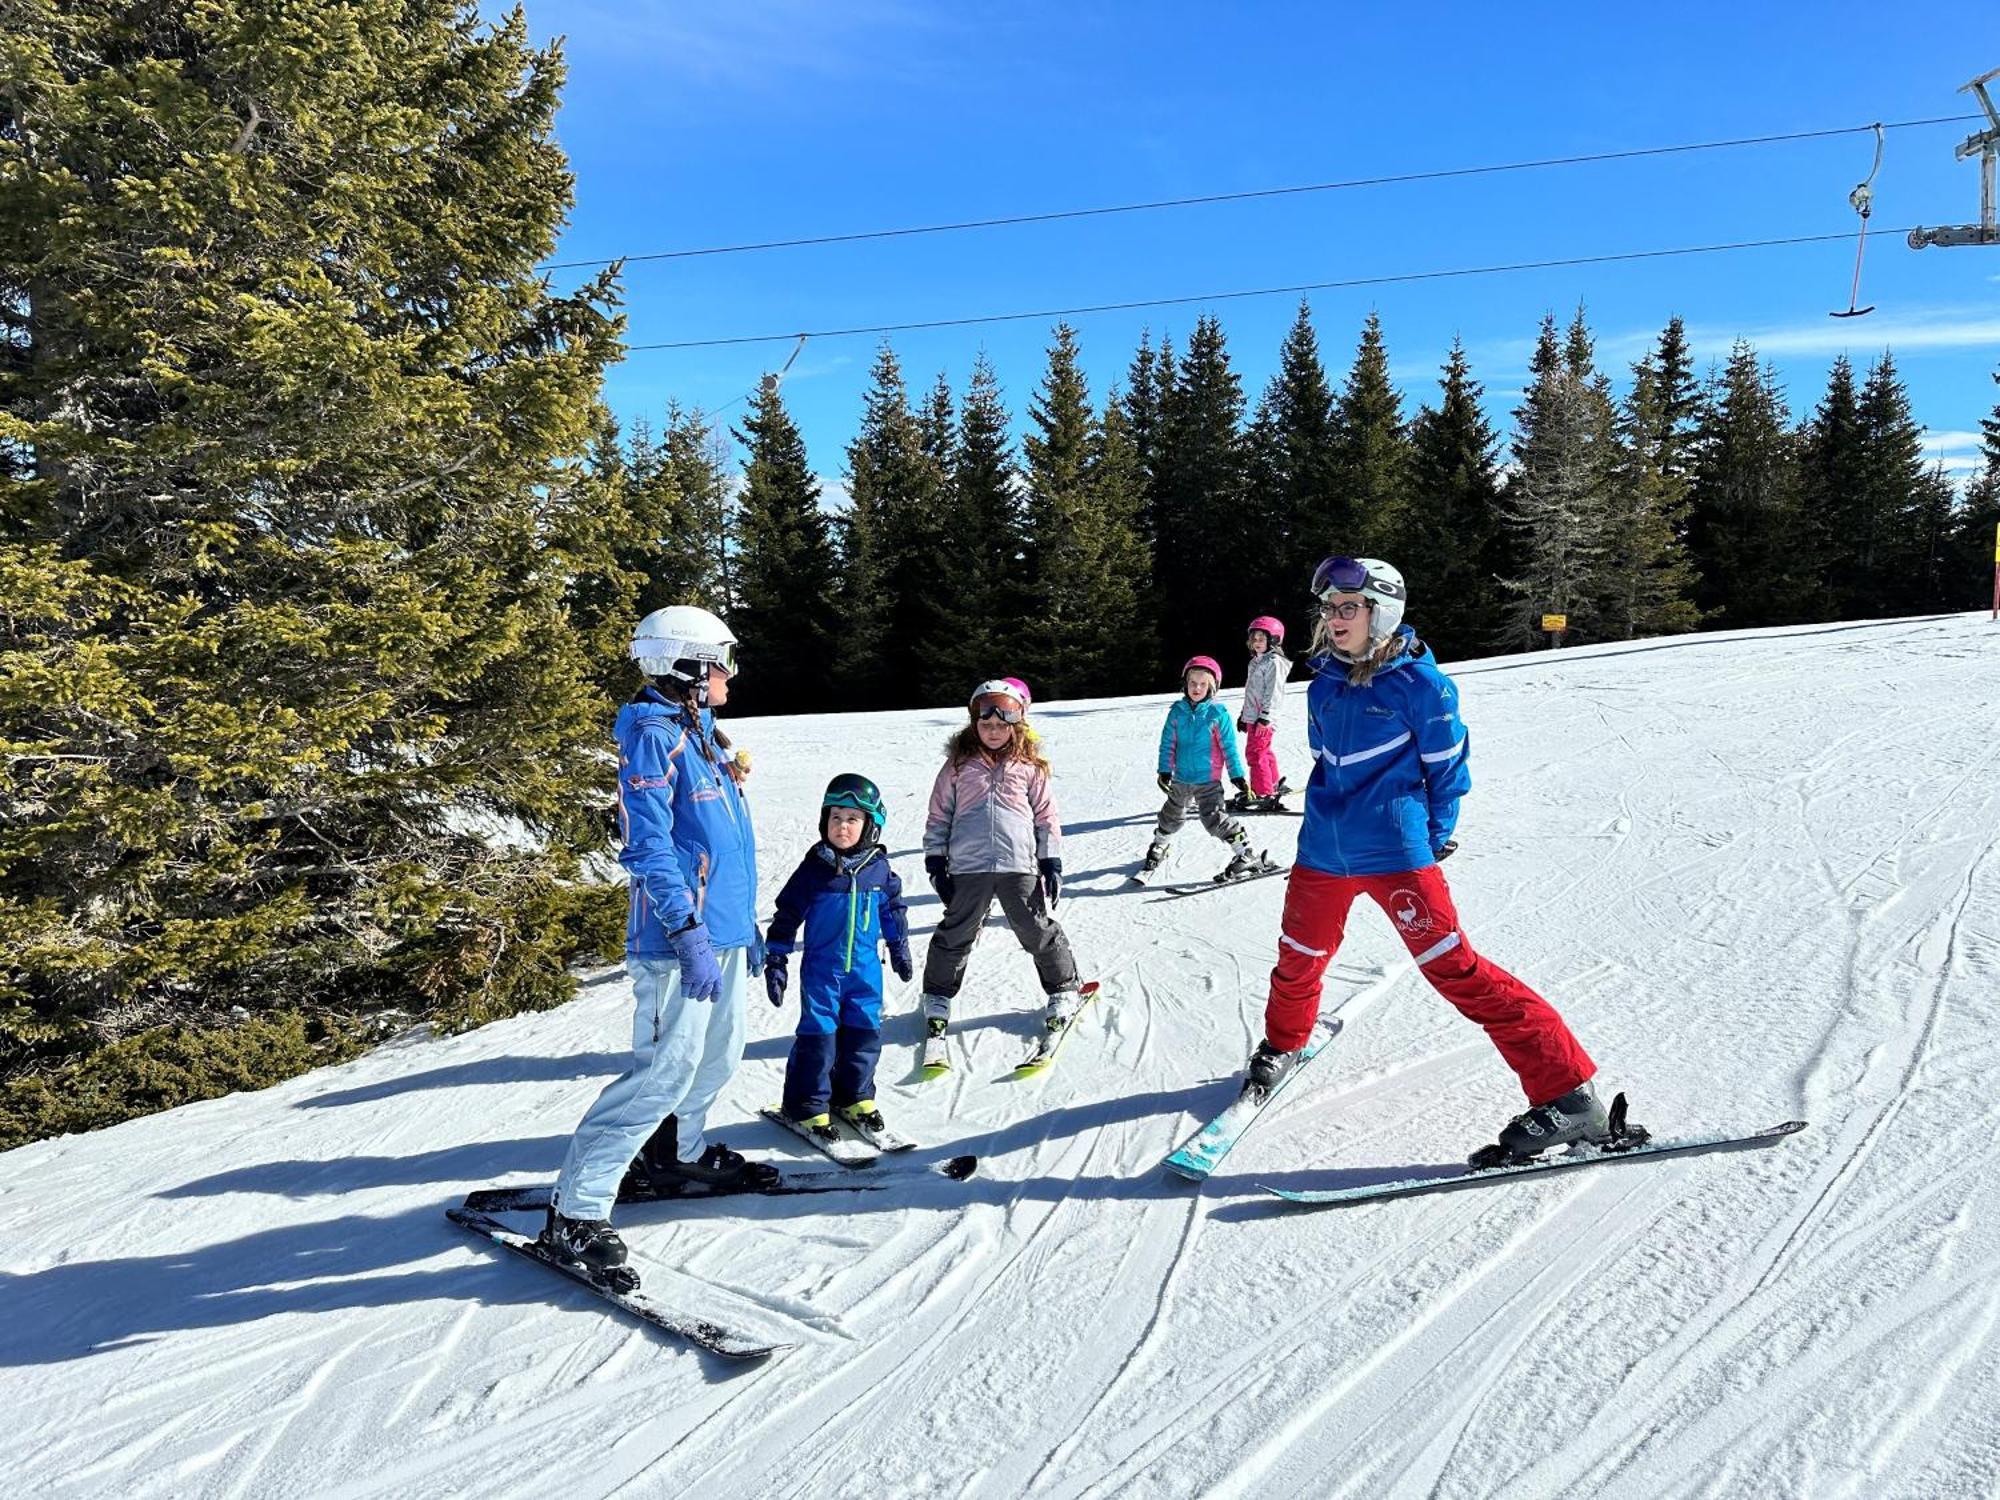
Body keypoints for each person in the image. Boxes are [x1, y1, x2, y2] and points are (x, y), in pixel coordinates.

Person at [1246, 557, 1606, 1164]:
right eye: (1330, 608)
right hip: (1322, 852)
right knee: (1299, 958)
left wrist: (1432, 836)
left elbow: (1448, 772)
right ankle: (1283, 1046)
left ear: (1381, 611)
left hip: (1396, 854)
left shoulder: (1423, 687)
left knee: (1456, 969)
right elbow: (1324, 764)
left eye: (1348, 608)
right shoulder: (1325, 683)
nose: (1334, 619)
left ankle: (1571, 1097)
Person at [542, 605, 775, 1279]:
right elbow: (648, 846)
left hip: (722, 933)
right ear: (687, 668)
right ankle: (576, 1211)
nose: (730, 673)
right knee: (661, 1073)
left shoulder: (699, 731)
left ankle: (678, 1153)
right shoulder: (653, 737)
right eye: (720, 661)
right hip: (678, 940)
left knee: (719, 1057)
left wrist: (740, 926)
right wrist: (687, 928)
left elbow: (714, 842)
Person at [920, 678, 1081, 1041]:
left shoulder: (1031, 767)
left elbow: (1046, 817)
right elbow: (938, 816)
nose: (993, 732)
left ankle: (1063, 989)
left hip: (1017, 864)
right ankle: (938, 995)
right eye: (985, 724)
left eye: (1001, 725)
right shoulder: (958, 766)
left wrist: (1050, 860)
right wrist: (935, 860)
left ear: (1016, 724)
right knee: (957, 932)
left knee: (1035, 928)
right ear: (974, 723)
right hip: (968, 865)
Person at [764, 774, 911, 1146]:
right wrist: (777, 959)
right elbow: (787, 914)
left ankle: (854, 1096)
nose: (842, 827)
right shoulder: (815, 869)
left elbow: (892, 909)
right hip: (823, 972)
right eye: (835, 817)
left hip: (865, 970)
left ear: (870, 826)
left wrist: (899, 946)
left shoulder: (879, 870)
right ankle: (806, 1104)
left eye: (852, 819)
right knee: (819, 1038)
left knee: (865, 1034)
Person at [1142, 656, 1260, 880]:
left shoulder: (1217, 714)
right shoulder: (1177, 712)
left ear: (1212, 687)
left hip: (1208, 780)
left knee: (1214, 818)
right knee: (1171, 814)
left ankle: (1246, 853)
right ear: (1185, 685)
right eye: (1192, 683)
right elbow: (1168, 743)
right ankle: (1160, 844)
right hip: (1181, 778)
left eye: (1203, 684)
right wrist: (1164, 770)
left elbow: (1229, 748)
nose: (1197, 688)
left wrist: (1237, 776)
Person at [1231, 615, 1294, 813]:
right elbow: (1252, 691)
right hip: (1254, 716)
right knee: (1264, 751)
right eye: (1254, 639)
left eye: (1261, 639)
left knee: (1255, 753)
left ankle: (1263, 792)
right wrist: (1244, 715)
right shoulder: (1256, 662)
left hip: (1264, 717)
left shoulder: (1274, 662)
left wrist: (1265, 716)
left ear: (1274, 640)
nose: (1256, 643)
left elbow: (1273, 692)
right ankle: (1272, 783)